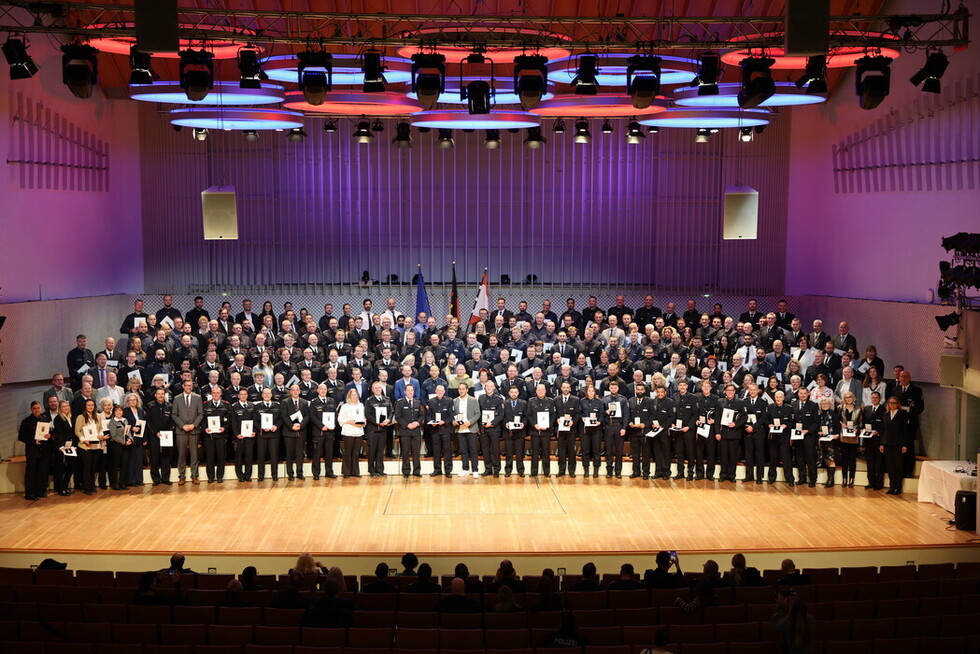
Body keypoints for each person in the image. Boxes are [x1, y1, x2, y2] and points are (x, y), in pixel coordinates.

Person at [19, 401, 53, 501]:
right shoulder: (26, 421)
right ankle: (30, 494)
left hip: (44, 450)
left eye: (38, 408)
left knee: (41, 472)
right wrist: (34, 441)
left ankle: (40, 491)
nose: (37, 410)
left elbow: (49, 433)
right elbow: (21, 436)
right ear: (31, 409)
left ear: (41, 408)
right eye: (34, 408)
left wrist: (49, 435)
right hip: (32, 451)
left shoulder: (45, 419)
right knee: (31, 473)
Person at [172, 379, 203, 486]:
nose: (189, 387)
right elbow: (174, 415)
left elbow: (200, 414)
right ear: (183, 386)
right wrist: (183, 426)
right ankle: (182, 476)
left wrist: (193, 425)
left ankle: (195, 476)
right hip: (181, 431)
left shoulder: (198, 397)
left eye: (191, 385)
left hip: (194, 430)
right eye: (187, 385)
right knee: (181, 455)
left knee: (194, 455)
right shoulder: (177, 399)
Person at [880, 395, 911, 495]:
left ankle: (898, 487)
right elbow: (882, 430)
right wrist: (881, 443)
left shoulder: (902, 415)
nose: (892, 405)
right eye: (890, 403)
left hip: (898, 443)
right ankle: (892, 487)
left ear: (898, 404)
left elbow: (905, 431)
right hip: (887, 443)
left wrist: (905, 444)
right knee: (890, 466)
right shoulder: (885, 415)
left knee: (898, 465)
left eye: (894, 403)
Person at [280, 384, 311, 481]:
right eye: (293, 390)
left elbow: (307, 416)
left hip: (300, 431)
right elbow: (284, 416)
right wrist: (291, 426)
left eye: (297, 390)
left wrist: (300, 425)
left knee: (299, 454)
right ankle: (290, 473)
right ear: (290, 392)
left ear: (300, 391)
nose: (295, 392)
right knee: (289, 454)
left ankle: (299, 472)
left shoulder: (304, 402)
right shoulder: (285, 402)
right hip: (289, 432)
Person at [309, 383, 338, 479]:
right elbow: (312, 417)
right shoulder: (314, 402)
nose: (323, 391)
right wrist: (322, 426)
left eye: (325, 389)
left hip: (330, 431)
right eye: (321, 389)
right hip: (319, 432)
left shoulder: (332, 401)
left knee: (329, 453)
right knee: (317, 453)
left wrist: (333, 424)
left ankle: (329, 472)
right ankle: (316, 473)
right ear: (317, 390)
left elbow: (335, 415)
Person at [394, 383, 424, 477]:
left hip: (416, 431)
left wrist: (417, 423)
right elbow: (398, 417)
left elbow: (421, 415)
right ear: (404, 392)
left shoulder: (417, 402)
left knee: (416, 452)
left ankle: (416, 471)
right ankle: (406, 471)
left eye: (412, 390)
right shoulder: (400, 402)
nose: (410, 392)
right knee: (405, 452)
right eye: (408, 390)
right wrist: (407, 425)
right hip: (405, 431)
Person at [453, 382, 482, 477]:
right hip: (460, 429)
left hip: (471, 428)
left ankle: (475, 470)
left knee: (473, 450)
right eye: (460, 389)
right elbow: (453, 415)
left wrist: (470, 422)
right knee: (463, 450)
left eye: (463, 389)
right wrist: (454, 421)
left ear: (467, 390)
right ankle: (465, 468)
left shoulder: (473, 400)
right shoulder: (455, 401)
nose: (461, 391)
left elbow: (478, 413)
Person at [255, 387, 283, 481]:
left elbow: (280, 419)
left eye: (268, 393)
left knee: (274, 456)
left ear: (271, 395)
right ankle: (261, 475)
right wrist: (261, 428)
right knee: (261, 455)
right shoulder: (257, 406)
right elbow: (255, 421)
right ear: (262, 395)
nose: (267, 395)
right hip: (262, 434)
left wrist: (276, 426)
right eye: (265, 393)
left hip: (274, 434)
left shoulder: (277, 405)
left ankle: (274, 474)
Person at [427, 384, 454, 477]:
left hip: (446, 429)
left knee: (447, 451)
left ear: (444, 391)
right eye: (438, 390)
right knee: (436, 450)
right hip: (435, 429)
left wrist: (444, 422)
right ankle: (437, 469)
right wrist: (431, 422)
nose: (439, 392)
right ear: (435, 391)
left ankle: (448, 470)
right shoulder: (431, 401)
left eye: (441, 390)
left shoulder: (449, 401)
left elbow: (452, 415)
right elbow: (428, 415)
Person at [837, 391, 862, 488]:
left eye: (850, 397)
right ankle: (844, 479)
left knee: (852, 459)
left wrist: (857, 429)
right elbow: (836, 420)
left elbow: (861, 422)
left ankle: (851, 479)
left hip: (854, 437)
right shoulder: (840, 408)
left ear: (853, 398)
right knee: (844, 459)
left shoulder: (858, 409)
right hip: (843, 437)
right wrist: (841, 424)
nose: (848, 399)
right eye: (846, 397)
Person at [501, 385, 527, 477]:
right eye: (512, 392)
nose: (513, 394)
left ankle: (521, 470)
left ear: (518, 393)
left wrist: (523, 423)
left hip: (520, 432)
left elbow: (526, 417)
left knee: (520, 453)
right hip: (508, 432)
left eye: (515, 392)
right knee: (509, 453)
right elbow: (501, 417)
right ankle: (508, 470)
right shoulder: (504, 403)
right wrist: (505, 424)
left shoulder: (523, 403)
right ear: (509, 393)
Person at [106, 403, 132, 491]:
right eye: (117, 411)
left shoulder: (125, 420)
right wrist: (124, 442)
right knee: (116, 465)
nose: (119, 412)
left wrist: (130, 440)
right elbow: (114, 436)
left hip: (126, 445)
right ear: (114, 412)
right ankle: (115, 484)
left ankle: (122, 483)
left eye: (120, 411)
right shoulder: (112, 422)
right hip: (116, 445)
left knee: (124, 464)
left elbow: (128, 432)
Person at [816, 397, 841, 488]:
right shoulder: (819, 414)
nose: (825, 405)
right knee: (826, 459)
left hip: (832, 441)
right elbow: (817, 425)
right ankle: (828, 479)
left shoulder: (833, 414)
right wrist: (818, 431)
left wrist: (837, 434)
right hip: (822, 440)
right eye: (823, 404)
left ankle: (831, 480)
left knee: (831, 459)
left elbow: (838, 427)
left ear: (830, 405)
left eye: (826, 404)